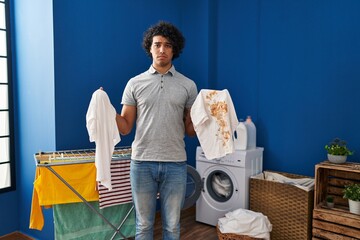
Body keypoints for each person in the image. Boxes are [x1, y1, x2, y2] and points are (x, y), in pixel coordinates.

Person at [116, 21, 198, 240]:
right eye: (158, 44)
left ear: (174, 49)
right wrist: (105, 109)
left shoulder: (188, 86)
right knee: (143, 225)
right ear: (149, 48)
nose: (162, 49)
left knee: (172, 226)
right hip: (142, 162)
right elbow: (125, 127)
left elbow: (190, 131)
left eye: (168, 45)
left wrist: (208, 118)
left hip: (175, 163)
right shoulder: (135, 83)